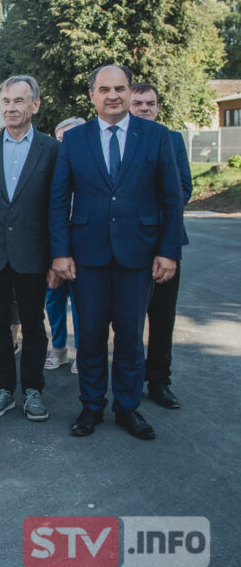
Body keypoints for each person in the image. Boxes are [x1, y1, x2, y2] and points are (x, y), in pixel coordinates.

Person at [50, 65, 184, 440]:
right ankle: (91, 406)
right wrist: (60, 252)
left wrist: (168, 252)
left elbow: (172, 200)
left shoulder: (158, 137)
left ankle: (127, 408)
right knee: (90, 337)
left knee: (129, 338)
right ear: (92, 95)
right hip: (87, 257)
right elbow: (59, 200)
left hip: (138, 257)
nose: (113, 95)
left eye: (120, 88)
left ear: (129, 93)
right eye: (104, 89)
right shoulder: (74, 140)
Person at [0, 76, 60, 422]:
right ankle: (2, 389)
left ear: (34, 104)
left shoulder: (51, 149)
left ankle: (33, 390)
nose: (11, 108)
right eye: (6, 101)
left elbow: (55, 207)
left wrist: (56, 258)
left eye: (19, 101)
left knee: (34, 324)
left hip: (34, 255)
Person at [130, 83, 191, 409]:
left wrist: (149, 212)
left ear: (157, 107)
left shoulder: (173, 140)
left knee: (163, 318)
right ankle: (130, 378)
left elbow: (182, 189)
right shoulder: (124, 139)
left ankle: (159, 381)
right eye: (138, 103)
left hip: (166, 243)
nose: (144, 108)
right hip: (130, 245)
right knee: (129, 318)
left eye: (150, 103)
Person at [43, 118, 85, 373]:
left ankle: (83, 351)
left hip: (84, 250)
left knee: (82, 305)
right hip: (56, 250)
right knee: (53, 298)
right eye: (60, 140)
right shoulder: (53, 172)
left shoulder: (91, 171)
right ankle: (58, 349)